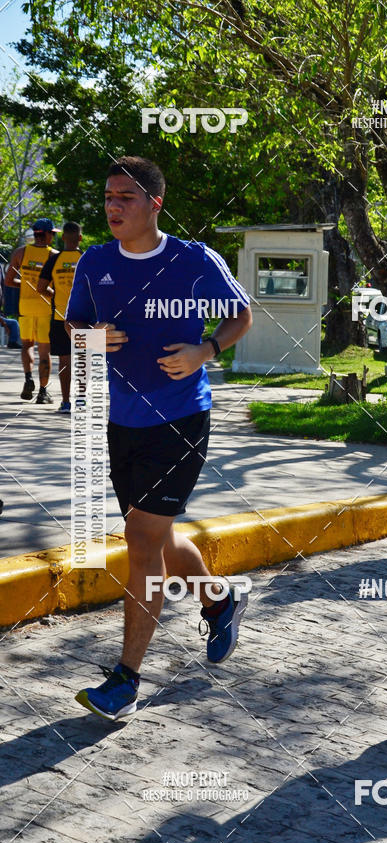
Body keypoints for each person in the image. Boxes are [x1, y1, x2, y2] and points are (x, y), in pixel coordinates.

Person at [65, 156, 253, 720]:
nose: (113, 207)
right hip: (122, 420)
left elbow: (240, 314)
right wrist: (92, 337)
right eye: (108, 197)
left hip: (180, 420)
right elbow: (75, 328)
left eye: (125, 197)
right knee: (157, 536)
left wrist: (206, 350)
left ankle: (126, 679)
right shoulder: (94, 263)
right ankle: (220, 599)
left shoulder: (193, 260)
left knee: (142, 544)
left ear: (155, 203)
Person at [5, 218, 59, 403]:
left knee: (27, 346)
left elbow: (9, 280)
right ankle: (43, 392)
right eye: (52, 233)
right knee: (44, 351)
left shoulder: (21, 252)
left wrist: (27, 283)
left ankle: (28, 379)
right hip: (45, 308)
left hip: (25, 307)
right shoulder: (54, 255)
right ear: (46, 234)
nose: (53, 236)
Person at [37, 222, 83, 412]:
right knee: (83, 359)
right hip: (84, 318)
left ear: (63, 238)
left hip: (60, 318)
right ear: (80, 238)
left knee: (65, 360)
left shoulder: (54, 260)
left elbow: (40, 287)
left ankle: (66, 402)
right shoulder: (86, 258)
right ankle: (81, 400)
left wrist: (54, 294)